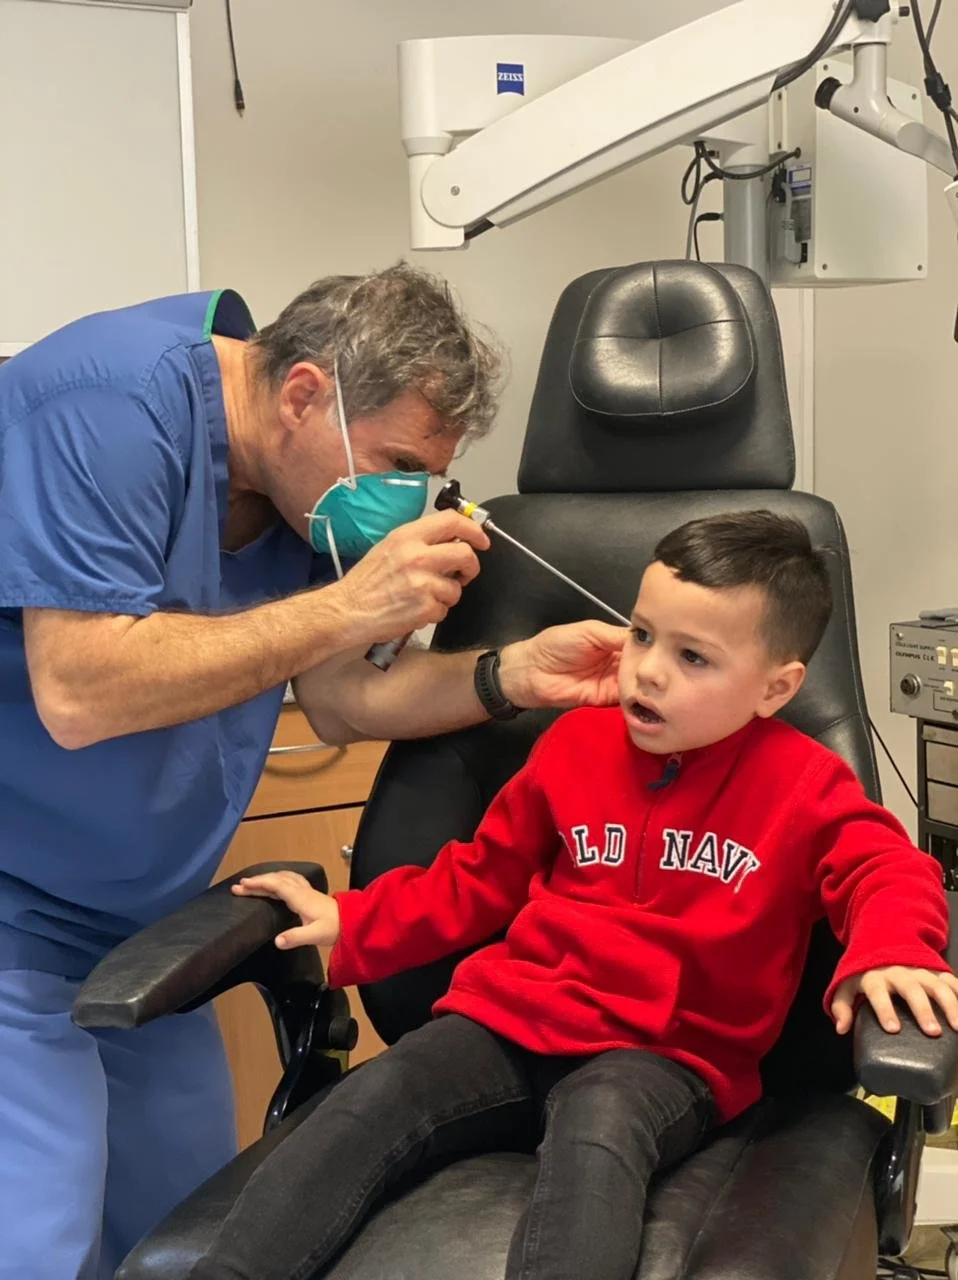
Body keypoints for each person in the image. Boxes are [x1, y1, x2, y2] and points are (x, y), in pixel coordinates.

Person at [0, 264, 626, 1280]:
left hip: (142, 917)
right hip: (13, 904)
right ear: (302, 393)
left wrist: (510, 672)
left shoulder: (303, 499)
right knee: (36, 1233)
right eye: (392, 461)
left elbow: (344, 698)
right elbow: (77, 688)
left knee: (196, 1232)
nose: (401, 496)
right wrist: (350, 605)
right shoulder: (107, 406)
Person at [189, 510, 958, 1280]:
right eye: (643, 635)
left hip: (666, 1054)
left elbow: (885, 869)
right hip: (513, 1014)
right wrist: (351, 917)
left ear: (776, 688)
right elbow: (476, 877)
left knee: (599, 1132)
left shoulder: (804, 783)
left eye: (694, 657)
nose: (649, 670)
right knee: (369, 1103)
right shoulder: (576, 745)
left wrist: (894, 950)